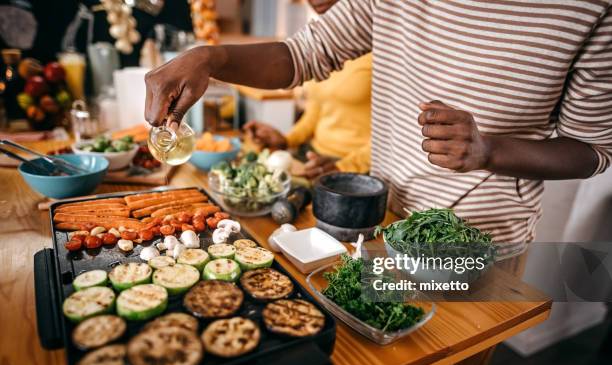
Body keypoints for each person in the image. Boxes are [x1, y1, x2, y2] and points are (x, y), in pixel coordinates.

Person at [144, 0, 612, 243]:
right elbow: (303, 54)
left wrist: (490, 151)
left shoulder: (592, 9)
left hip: (476, 241)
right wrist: (211, 56)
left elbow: (592, 150)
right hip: (377, 214)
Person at [243, 0, 372, 178]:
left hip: (360, 169)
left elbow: (396, 133)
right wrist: (286, 139)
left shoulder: (381, 49)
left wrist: (345, 166)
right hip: (314, 156)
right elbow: (316, 112)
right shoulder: (322, 48)